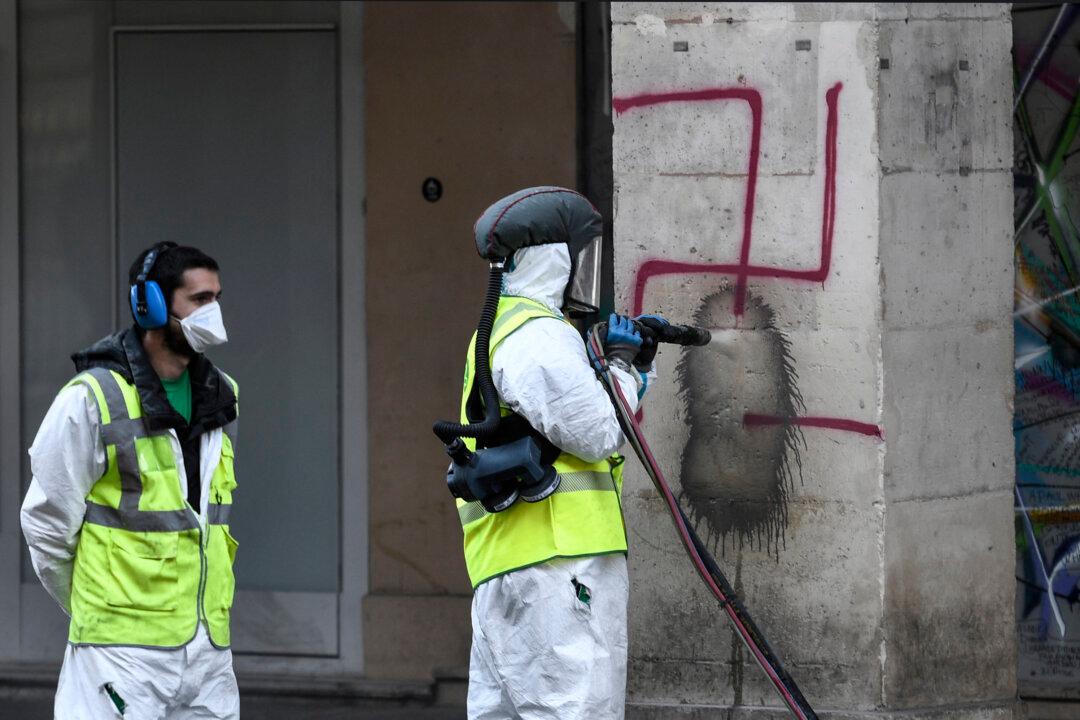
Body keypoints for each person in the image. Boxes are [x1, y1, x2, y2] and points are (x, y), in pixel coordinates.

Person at [456, 189, 659, 720]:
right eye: (577, 254)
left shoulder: (504, 328)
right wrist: (622, 364)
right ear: (553, 256)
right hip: (560, 571)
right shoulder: (539, 335)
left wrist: (634, 371)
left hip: (513, 570)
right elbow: (596, 430)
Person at [21, 242, 240, 720]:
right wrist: (100, 609)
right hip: (119, 655)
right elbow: (46, 525)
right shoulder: (92, 397)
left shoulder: (222, 396)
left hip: (206, 651)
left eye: (217, 297)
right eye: (200, 299)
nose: (214, 312)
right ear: (152, 306)